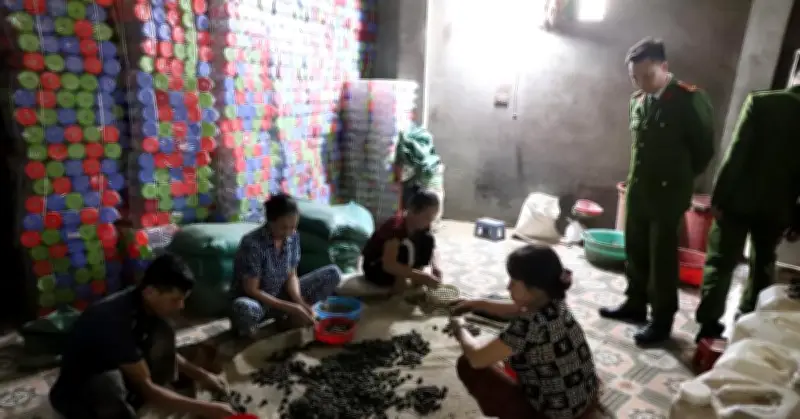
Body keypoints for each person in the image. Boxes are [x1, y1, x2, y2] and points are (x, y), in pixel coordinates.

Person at [599, 37, 715, 346]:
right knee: (636, 251)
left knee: (661, 260)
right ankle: (635, 304)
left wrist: (678, 179)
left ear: (664, 67)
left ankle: (661, 320)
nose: (641, 83)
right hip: (640, 190)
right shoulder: (638, 101)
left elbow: (704, 151)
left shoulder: (689, 99)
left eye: (647, 76)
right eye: (634, 77)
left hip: (668, 195)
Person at [49, 254, 236, 419]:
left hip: (121, 362)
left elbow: (168, 353)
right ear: (150, 292)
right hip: (79, 388)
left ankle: (151, 389)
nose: (181, 306)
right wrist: (207, 409)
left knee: (165, 332)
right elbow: (148, 389)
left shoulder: (144, 303)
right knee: (109, 388)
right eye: (175, 300)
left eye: (183, 299)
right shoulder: (114, 321)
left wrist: (204, 376)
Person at [694, 78, 800, 342]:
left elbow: (737, 153)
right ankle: (748, 321)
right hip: (778, 207)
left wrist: (719, 197)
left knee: (721, 262)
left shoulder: (761, 103)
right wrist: (797, 218)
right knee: (763, 262)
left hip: (737, 202)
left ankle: (709, 325)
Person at [450, 244, 598, 419]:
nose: (508, 286)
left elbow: (477, 358)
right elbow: (517, 309)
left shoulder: (528, 325)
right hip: (583, 398)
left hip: (552, 414)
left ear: (534, 289)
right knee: (508, 353)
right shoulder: (555, 302)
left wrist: (459, 327)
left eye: (513, 282)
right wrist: (476, 304)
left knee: (467, 363)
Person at [230, 193, 342, 337]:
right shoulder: (252, 244)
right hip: (258, 303)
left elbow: (291, 275)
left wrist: (299, 302)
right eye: (283, 228)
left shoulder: (293, 237)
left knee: (333, 273)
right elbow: (252, 290)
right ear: (270, 221)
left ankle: (287, 321)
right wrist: (291, 307)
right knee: (242, 307)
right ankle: (256, 329)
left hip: (282, 294)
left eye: (293, 227)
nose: (289, 232)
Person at [361, 190, 442, 293]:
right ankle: (398, 289)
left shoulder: (423, 226)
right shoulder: (396, 228)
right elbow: (389, 264)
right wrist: (419, 276)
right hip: (377, 267)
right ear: (412, 210)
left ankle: (414, 280)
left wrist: (436, 266)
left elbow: (434, 249)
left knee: (427, 239)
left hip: (398, 263)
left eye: (432, 218)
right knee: (404, 249)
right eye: (427, 217)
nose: (430, 222)